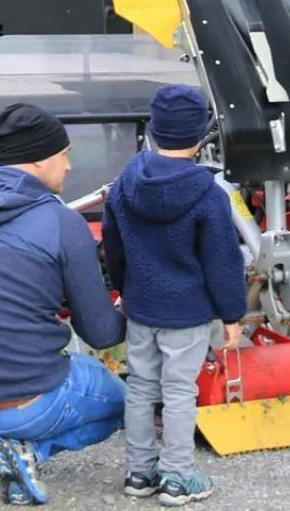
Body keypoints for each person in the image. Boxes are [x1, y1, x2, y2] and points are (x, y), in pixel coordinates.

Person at [0, 102, 127, 506]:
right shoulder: (63, 223)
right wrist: (130, 305)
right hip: (27, 409)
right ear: (39, 159)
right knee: (125, 405)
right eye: (64, 155)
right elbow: (101, 334)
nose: (68, 167)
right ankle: (25, 454)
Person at [100, 84, 246, 506]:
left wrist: (125, 289)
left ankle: (139, 474)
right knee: (180, 392)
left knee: (142, 387)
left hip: (141, 306)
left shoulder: (125, 184)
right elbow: (223, 261)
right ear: (202, 137)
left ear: (152, 130)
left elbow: (113, 244)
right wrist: (232, 315)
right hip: (187, 313)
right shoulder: (209, 195)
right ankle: (178, 478)